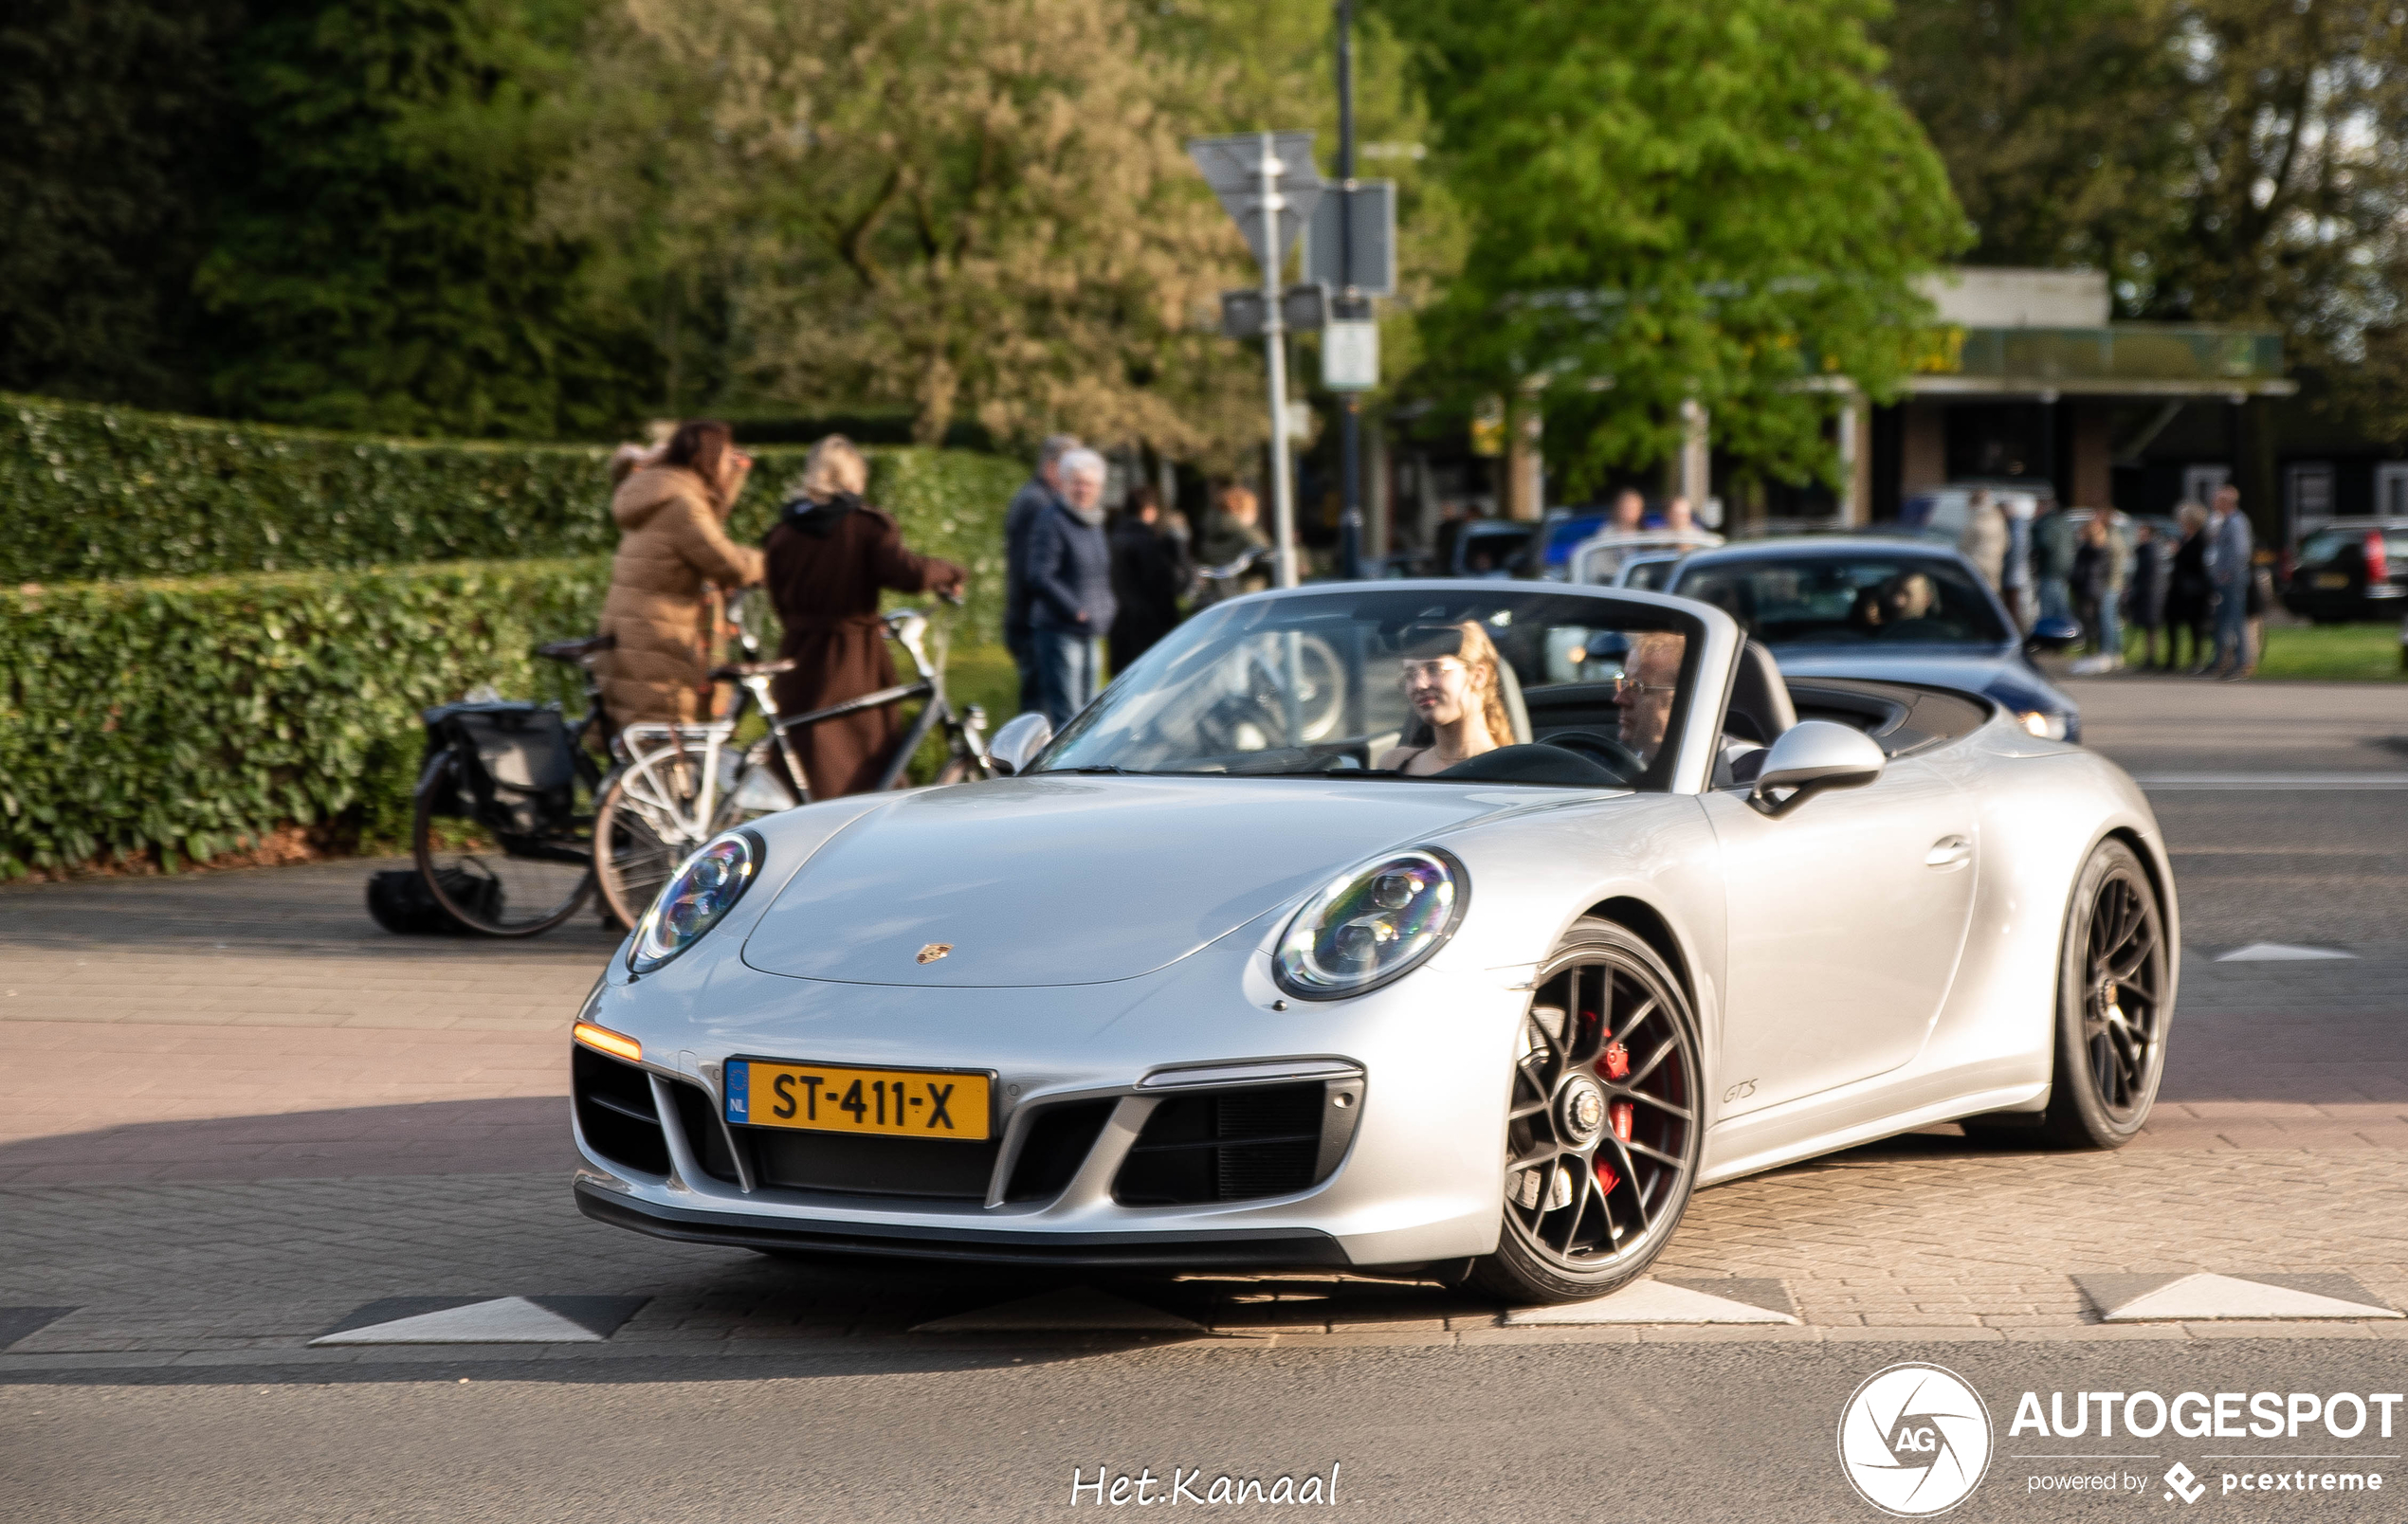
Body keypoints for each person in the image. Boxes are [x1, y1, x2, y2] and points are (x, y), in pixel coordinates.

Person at [759, 434, 966, 799]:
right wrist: (950, 572)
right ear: (853, 479)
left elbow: (778, 599)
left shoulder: (782, 534)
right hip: (854, 658)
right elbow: (909, 574)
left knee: (804, 756)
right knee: (863, 759)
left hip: (797, 656)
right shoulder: (866, 527)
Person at [593, 420, 762, 725]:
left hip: (635, 631)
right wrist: (775, 560)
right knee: (664, 744)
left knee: (640, 743)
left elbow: (713, 515)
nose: (731, 464)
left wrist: (733, 476)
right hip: (658, 640)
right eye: (726, 458)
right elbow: (728, 563)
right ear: (708, 460)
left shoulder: (659, 488)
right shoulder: (682, 505)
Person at [1025, 448, 1116, 725]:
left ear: (1099, 488)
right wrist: (1075, 610)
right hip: (1061, 629)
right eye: (1076, 482)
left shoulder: (1095, 523)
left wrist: (1107, 607)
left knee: (1091, 712)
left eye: (1089, 484)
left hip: (1092, 629)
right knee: (1070, 715)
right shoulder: (1052, 521)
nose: (1083, 489)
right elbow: (1039, 575)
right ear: (1064, 484)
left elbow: (1100, 574)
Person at [1004, 434, 1081, 716]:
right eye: (1071, 470)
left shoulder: (1040, 500)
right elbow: (1032, 572)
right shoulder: (1038, 505)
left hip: (1036, 620)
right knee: (1042, 718)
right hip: (1033, 624)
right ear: (1051, 468)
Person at [1376, 623, 1511, 774]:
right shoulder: (1393, 763)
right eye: (1410, 674)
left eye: (1434, 669)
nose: (1419, 685)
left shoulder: (1510, 771)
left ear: (1477, 676)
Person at [1107, 483, 1188, 673]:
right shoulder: (1146, 542)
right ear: (1149, 510)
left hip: (1121, 626)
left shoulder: (1114, 538)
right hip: (1149, 627)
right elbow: (1165, 585)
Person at [1613, 630, 1686, 768]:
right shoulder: (1623, 763)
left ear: (1681, 701)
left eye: (1636, 686)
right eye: (1623, 681)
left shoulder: (1728, 770)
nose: (1619, 699)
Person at [2207, 484, 2254, 679]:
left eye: (2217, 499)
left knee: (2235, 621)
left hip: (2233, 579)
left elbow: (2241, 551)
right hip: (2226, 578)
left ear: (2227, 502)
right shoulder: (2227, 521)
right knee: (2224, 621)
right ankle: (2223, 662)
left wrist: (2227, 572)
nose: (2214, 502)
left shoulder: (2236, 522)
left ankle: (2242, 663)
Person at [2165, 500, 2215, 672]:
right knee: (2171, 622)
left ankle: (2196, 659)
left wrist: (2179, 552)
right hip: (2179, 589)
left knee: (2195, 626)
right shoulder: (2184, 537)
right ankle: (2172, 659)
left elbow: (2199, 563)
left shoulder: (2201, 539)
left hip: (2194, 590)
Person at [1197, 482, 1273, 592]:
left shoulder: (1208, 532)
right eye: (1253, 509)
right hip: (1248, 596)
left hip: (1218, 600)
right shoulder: (1247, 535)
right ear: (1240, 509)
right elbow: (1270, 559)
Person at [2125, 519, 2171, 669]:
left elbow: (2148, 576)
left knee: (2151, 628)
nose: (2139, 535)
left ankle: (2151, 659)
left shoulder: (2151, 550)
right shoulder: (2147, 549)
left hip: (2150, 595)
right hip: (2148, 594)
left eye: (2143, 533)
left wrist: (2136, 592)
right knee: (2149, 629)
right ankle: (2149, 658)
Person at [2032, 498, 2077, 627]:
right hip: (2064, 570)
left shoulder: (2046, 524)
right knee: (2061, 606)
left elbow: (2044, 544)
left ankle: (2049, 638)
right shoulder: (2063, 522)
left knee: (2048, 609)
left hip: (2050, 569)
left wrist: (2035, 531)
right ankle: (2066, 636)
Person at [1958, 488, 2008, 591]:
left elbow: (1964, 545)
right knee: (1992, 596)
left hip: (1976, 565)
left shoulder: (1975, 520)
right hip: (1995, 565)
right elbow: (2006, 543)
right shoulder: (1998, 518)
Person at [2000, 494, 2035, 627]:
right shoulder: (2019, 525)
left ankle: (2016, 636)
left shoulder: (2016, 526)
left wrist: (2006, 568)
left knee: (2013, 608)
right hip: (2017, 574)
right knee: (2014, 607)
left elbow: (2015, 553)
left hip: (2014, 575)